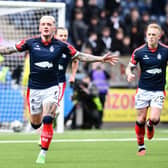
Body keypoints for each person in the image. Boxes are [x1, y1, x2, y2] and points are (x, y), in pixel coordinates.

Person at [0, 15, 118, 164]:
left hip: (52, 87)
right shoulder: (30, 42)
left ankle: (43, 152)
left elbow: (79, 56)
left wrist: (100, 59)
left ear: (54, 28)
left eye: (49, 24)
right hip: (34, 89)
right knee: (35, 123)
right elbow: (9, 50)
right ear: (39, 27)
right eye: (43, 24)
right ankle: (40, 128)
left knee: (48, 117)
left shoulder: (61, 45)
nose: (46, 26)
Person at [126, 23, 168, 156]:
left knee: (154, 119)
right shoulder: (139, 51)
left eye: (153, 35)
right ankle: (141, 146)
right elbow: (129, 67)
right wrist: (129, 73)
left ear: (159, 36)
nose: (150, 37)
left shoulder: (166, 51)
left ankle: (150, 125)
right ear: (146, 35)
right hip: (143, 89)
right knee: (140, 119)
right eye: (149, 34)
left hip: (158, 90)